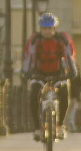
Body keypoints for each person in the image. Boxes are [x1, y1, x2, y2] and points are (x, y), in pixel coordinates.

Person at [23, 12, 76, 142]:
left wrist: (72, 71)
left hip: (58, 72)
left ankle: (60, 125)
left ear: (54, 29)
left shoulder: (62, 39)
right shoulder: (34, 40)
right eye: (44, 28)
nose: (47, 31)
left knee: (64, 93)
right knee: (33, 94)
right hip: (39, 72)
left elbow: (69, 56)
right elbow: (29, 58)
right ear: (40, 29)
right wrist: (27, 72)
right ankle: (36, 128)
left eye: (50, 28)